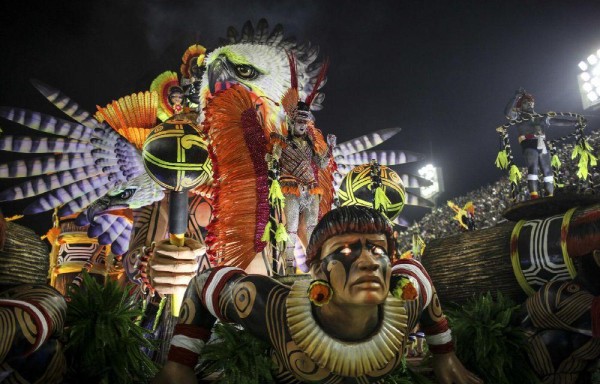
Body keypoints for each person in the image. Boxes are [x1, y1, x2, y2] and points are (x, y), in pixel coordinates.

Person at [151, 206, 483, 383]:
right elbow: (203, 283)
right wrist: (179, 364)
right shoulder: (270, 307)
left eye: (378, 249)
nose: (368, 261)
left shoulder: (406, 299)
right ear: (318, 270)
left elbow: (417, 273)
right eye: (346, 249)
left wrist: (445, 355)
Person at [277, 101, 335, 274]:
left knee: (312, 228)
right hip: (291, 188)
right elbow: (274, 158)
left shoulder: (310, 144)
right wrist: (272, 154)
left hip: (311, 188)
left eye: (305, 122)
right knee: (292, 227)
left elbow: (322, 164)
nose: (302, 126)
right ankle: (288, 267)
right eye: (299, 122)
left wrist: (330, 147)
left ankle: (313, 266)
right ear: (292, 123)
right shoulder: (281, 141)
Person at [502, 88, 581, 199]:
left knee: (547, 169)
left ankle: (550, 196)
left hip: (542, 143)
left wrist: (575, 122)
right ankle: (534, 196)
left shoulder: (540, 117)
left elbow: (556, 121)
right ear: (520, 106)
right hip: (528, 143)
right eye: (525, 103)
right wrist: (515, 97)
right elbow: (507, 113)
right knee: (533, 167)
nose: (529, 104)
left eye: (531, 102)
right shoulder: (518, 117)